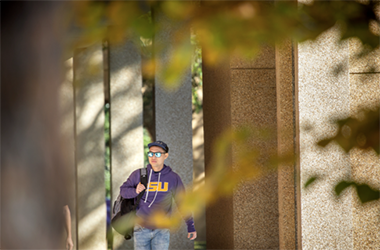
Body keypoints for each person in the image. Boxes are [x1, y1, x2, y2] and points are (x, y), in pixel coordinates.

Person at [120, 141, 197, 250]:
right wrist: (135, 191)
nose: (153, 157)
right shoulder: (139, 174)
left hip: (162, 230)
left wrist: (190, 225)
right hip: (141, 228)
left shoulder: (173, 177)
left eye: (157, 154)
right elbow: (123, 190)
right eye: (150, 153)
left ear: (165, 155)